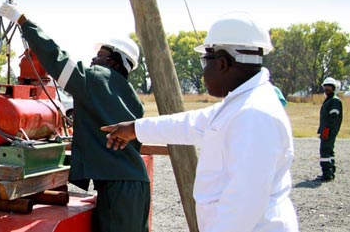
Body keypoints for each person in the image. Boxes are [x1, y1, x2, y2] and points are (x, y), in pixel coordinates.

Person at [101, 12, 299, 231]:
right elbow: (190, 123)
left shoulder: (254, 115)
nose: (204, 72)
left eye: (206, 62)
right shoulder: (241, 104)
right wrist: (135, 128)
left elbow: (243, 207)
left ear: (223, 62)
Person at [0, 3, 150, 232]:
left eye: (99, 56)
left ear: (114, 62)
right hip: (134, 185)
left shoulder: (99, 78)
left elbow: (58, 60)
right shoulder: (129, 96)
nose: (92, 61)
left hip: (118, 188)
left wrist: (24, 23)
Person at [316, 77, 343, 182]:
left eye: (329, 86)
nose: (327, 88)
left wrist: (327, 130)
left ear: (334, 88)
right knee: (329, 151)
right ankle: (330, 173)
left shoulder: (334, 101)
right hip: (327, 130)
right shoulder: (330, 100)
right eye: (325, 86)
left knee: (325, 151)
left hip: (329, 131)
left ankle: (327, 174)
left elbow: (334, 117)